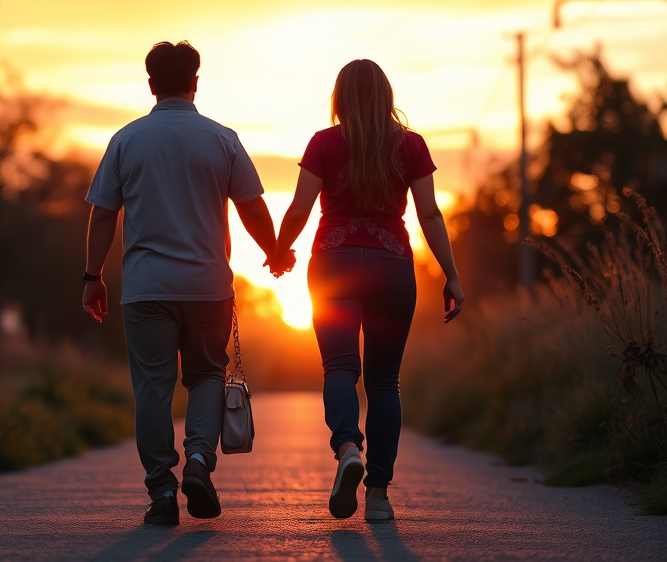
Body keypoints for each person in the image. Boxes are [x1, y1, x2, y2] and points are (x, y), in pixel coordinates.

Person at [82, 41, 284, 526]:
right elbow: (252, 205)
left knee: (153, 388)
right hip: (208, 287)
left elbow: (103, 213)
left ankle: (162, 492)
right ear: (196, 83)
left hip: (147, 289)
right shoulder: (221, 139)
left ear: (150, 85)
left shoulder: (126, 140)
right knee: (207, 376)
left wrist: (92, 276)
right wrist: (274, 252)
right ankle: (198, 462)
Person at [270, 58, 464, 523]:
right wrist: (452, 276)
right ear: (386, 96)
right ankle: (377, 494)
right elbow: (430, 214)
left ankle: (347, 449)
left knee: (339, 366)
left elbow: (300, 207)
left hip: (334, 264)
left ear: (341, 97)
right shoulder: (411, 146)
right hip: (392, 266)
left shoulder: (324, 142)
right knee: (383, 383)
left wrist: (279, 250)